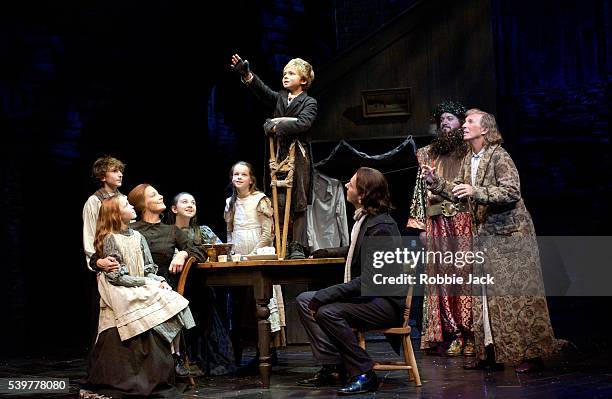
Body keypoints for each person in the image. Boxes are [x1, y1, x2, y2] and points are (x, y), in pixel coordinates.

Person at [422, 108, 560, 373]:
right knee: (484, 296)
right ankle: (490, 354)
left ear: (485, 129)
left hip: (510, 237)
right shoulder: (468, 160)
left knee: (515, 298)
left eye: (470, 122)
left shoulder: (499, 155)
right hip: (485, 238)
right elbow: (458, 191)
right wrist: (435, 182)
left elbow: (511, 191)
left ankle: (531, 355)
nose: (464, 125)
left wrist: (477, 191)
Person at [296, 167, 404, 395]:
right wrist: (326, 252)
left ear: (363, 194)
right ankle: (333, 365)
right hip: (372, 297)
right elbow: (356, 249)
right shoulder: (366, 220)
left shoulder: (382, 227)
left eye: (352, 184)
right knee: (305, 300)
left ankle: (364, 372)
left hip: (385, 302)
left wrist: (328, 294)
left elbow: (372, 280)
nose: (346, 186)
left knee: (327, 311)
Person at [84, 195, 195, 398]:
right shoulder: (111, 239)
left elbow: (147, 268)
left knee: (174, 299)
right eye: (126, 205)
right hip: (121, 287)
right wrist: (146, 282)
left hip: (138, 283)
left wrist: (157, 279)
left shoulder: (138, 236)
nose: (131, 206)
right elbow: (117, 277)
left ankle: (176, 355)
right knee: (155, 298)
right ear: (117, 214)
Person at [230, 53, 317, 259]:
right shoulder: (279, 98)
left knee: (298, 199)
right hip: (277, 155)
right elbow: (262, 91)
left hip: (298, 155)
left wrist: (276, 124)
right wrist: (247, 74)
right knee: (277, 199)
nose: (285, 76)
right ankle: (282, 241)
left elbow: (303, 123)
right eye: (285, 73)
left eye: (292, 74)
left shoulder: (309, 102)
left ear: (303, 81)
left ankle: (297, 244)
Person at [407, 101, 474, 356]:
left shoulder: (470, 152)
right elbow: (420, 190)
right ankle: (454, 333)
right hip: (437, 224)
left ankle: (472, 333)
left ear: (460, 123)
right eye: (442, 119)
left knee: (467, 277)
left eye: (451, 118)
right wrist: (421, 226)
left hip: (465, 221)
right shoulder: (426, 154)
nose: (445, 122)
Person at [167, 192, 236, 376]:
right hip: (176, 286)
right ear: (174, 209)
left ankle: (203, 362)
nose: (190, 205)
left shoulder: (202, 230)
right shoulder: (166, 231)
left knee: (205, 317)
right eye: (184, 202)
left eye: (193, 202)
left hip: (202, 285)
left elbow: (222, 250)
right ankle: (182, 359)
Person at [224, 161, 285, 368]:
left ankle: (267, 351)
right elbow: (230, 231)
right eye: (235, 174)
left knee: (262, 302)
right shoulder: (230, 203)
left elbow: (267, 233)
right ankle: (240, 353)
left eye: (243, 174)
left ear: (251, 179)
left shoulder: (260, 199)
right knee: (242, 306)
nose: (239, 177)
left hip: (258, 255)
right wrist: (233, 254)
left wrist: (252, 255)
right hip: (238, 257)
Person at [82, 156, 123, 351]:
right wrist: (96, 264)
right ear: (102, 176)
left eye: (120, 170)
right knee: (103, 315)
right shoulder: (94, 201)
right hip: (103, 263)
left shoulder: (123, 200)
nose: (120, 174)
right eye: (115, 171)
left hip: (123, 262)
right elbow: (90, 236)